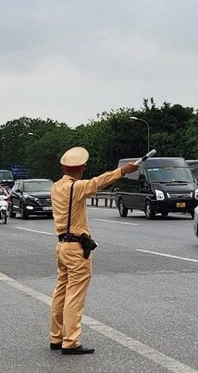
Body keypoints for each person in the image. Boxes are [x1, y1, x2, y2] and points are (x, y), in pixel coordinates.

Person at [49, 146, 138, 355]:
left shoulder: (55, 187)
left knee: (60, 291)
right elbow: (98, 182)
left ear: (63, 167)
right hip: (76, 248)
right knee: (75, 295)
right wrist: (122, 171)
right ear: (81, 168)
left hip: (61, 246)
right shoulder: (76, 187)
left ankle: (57, 336)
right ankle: (70, 341)